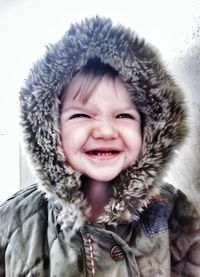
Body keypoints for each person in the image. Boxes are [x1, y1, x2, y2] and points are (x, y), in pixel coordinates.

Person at [0, 16, 200, 277]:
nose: (105, 130)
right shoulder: (13, 222)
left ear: (148, 130)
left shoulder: (174, 211)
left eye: (124, 116)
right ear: (50, 129)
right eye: (82, 115)